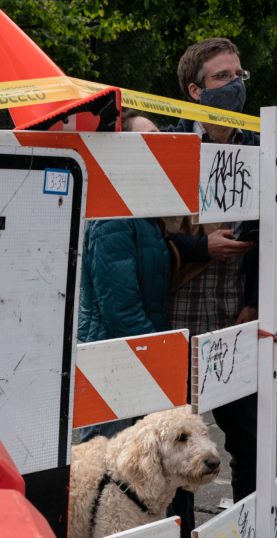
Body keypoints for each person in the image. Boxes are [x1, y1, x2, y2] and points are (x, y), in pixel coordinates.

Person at [163, 37, 277, 538]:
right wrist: (202, 250)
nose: (236, 84)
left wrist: (251, 299)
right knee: (182, 442)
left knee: (249, 438)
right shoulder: (169, 150)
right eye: (223, 76)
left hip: (237, 320)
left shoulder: (257, 149)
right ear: (195, 91)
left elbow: (270, 236)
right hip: (181, 317)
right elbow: (146, 235)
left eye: (239, 73)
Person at [75, 110, 175, 443]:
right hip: (113, 363)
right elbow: (120, 309)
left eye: (160, 134)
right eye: (147, 137)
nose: (157, 143)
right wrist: (159, 353)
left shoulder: (141, 209)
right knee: (107, 469)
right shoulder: (114, 214)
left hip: (133, 356)